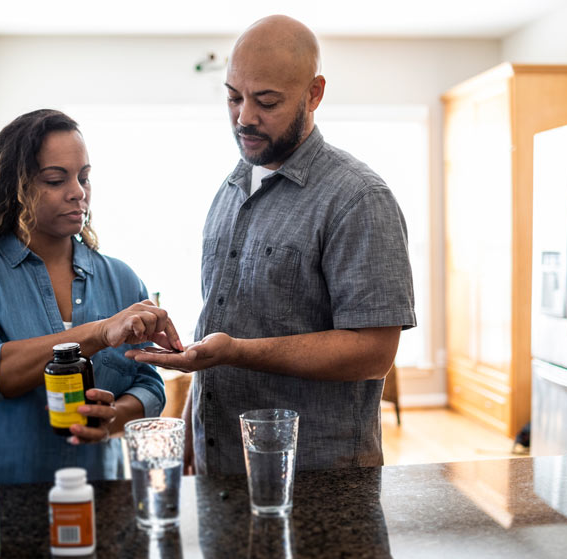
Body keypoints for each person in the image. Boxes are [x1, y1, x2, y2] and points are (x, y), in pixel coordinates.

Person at [128, 15, 416, 476]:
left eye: (266, 102)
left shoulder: (359, 198)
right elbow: (219, 318)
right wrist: (189, 428)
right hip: (216, 467)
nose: (244, 117)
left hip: (318, 480)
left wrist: (237, 351)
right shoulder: (231, 188)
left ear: (314, 93)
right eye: (233, 97)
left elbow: (374, 352)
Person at [0, 109, 182, 484]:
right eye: (55, 179)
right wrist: (98, 333)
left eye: (84, 178)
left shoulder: (121, 279)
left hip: (95, 493)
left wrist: (112, 416)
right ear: (15, 186)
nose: (78, 192)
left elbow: (148, 383)